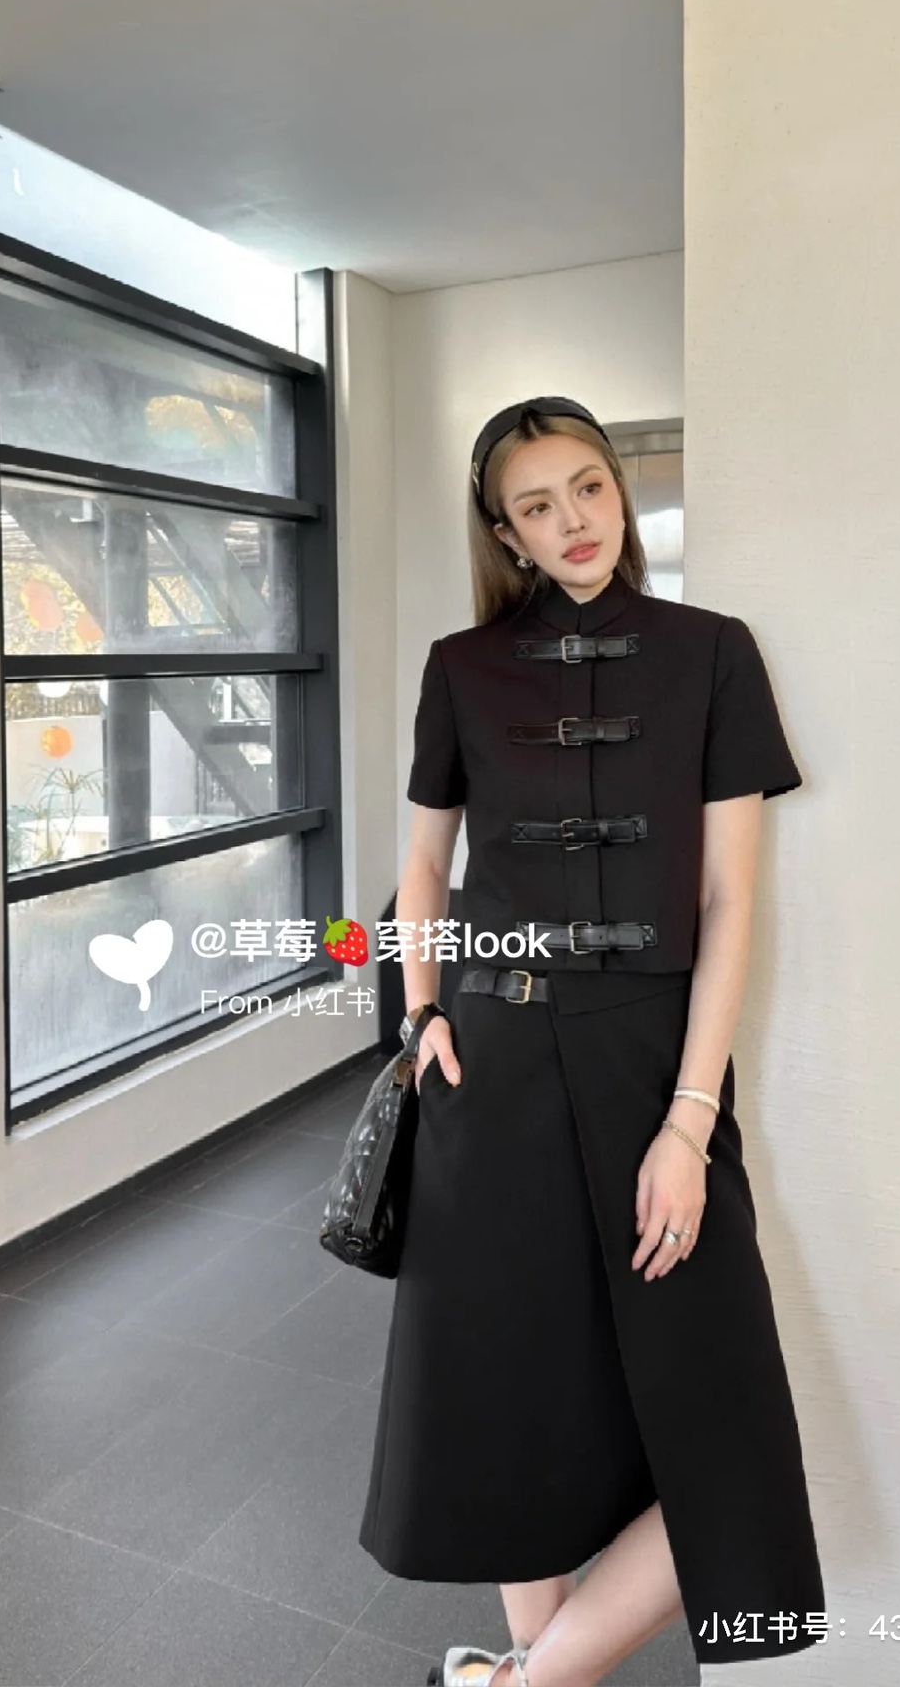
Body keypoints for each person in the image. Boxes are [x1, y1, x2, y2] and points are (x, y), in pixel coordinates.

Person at [358, 397, 825, 1685]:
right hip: (492, 1063)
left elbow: (730, 901)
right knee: (515, 1405)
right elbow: (422, 865)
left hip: (650, 1068)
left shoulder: (713, 652)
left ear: (619, 490)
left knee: (724, 1440)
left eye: (588, 488)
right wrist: (424, 1012)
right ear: (505, 534)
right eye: (537, 506)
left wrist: (691, 1120)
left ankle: (516, 1684)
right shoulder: (462, 666)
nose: (572, 521)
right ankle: (529, 1666)